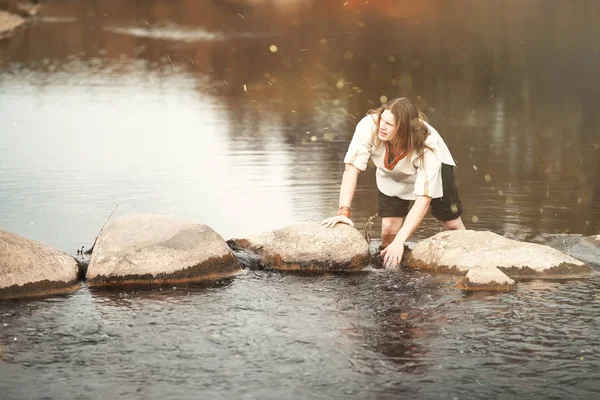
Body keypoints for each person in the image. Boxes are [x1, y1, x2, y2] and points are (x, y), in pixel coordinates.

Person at [320, 97, 466, 268]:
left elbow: (424, 199)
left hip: (435, 170)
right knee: (389, 228)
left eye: (389, 124)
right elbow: (351, 170)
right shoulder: (368, 127)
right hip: (390, 173)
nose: (382, 126)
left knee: (452, 223)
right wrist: (343, 212)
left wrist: (400, 241)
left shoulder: (428, 145)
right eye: (382, 119)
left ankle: (472, 257)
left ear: (404, 128)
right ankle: (391, 273)